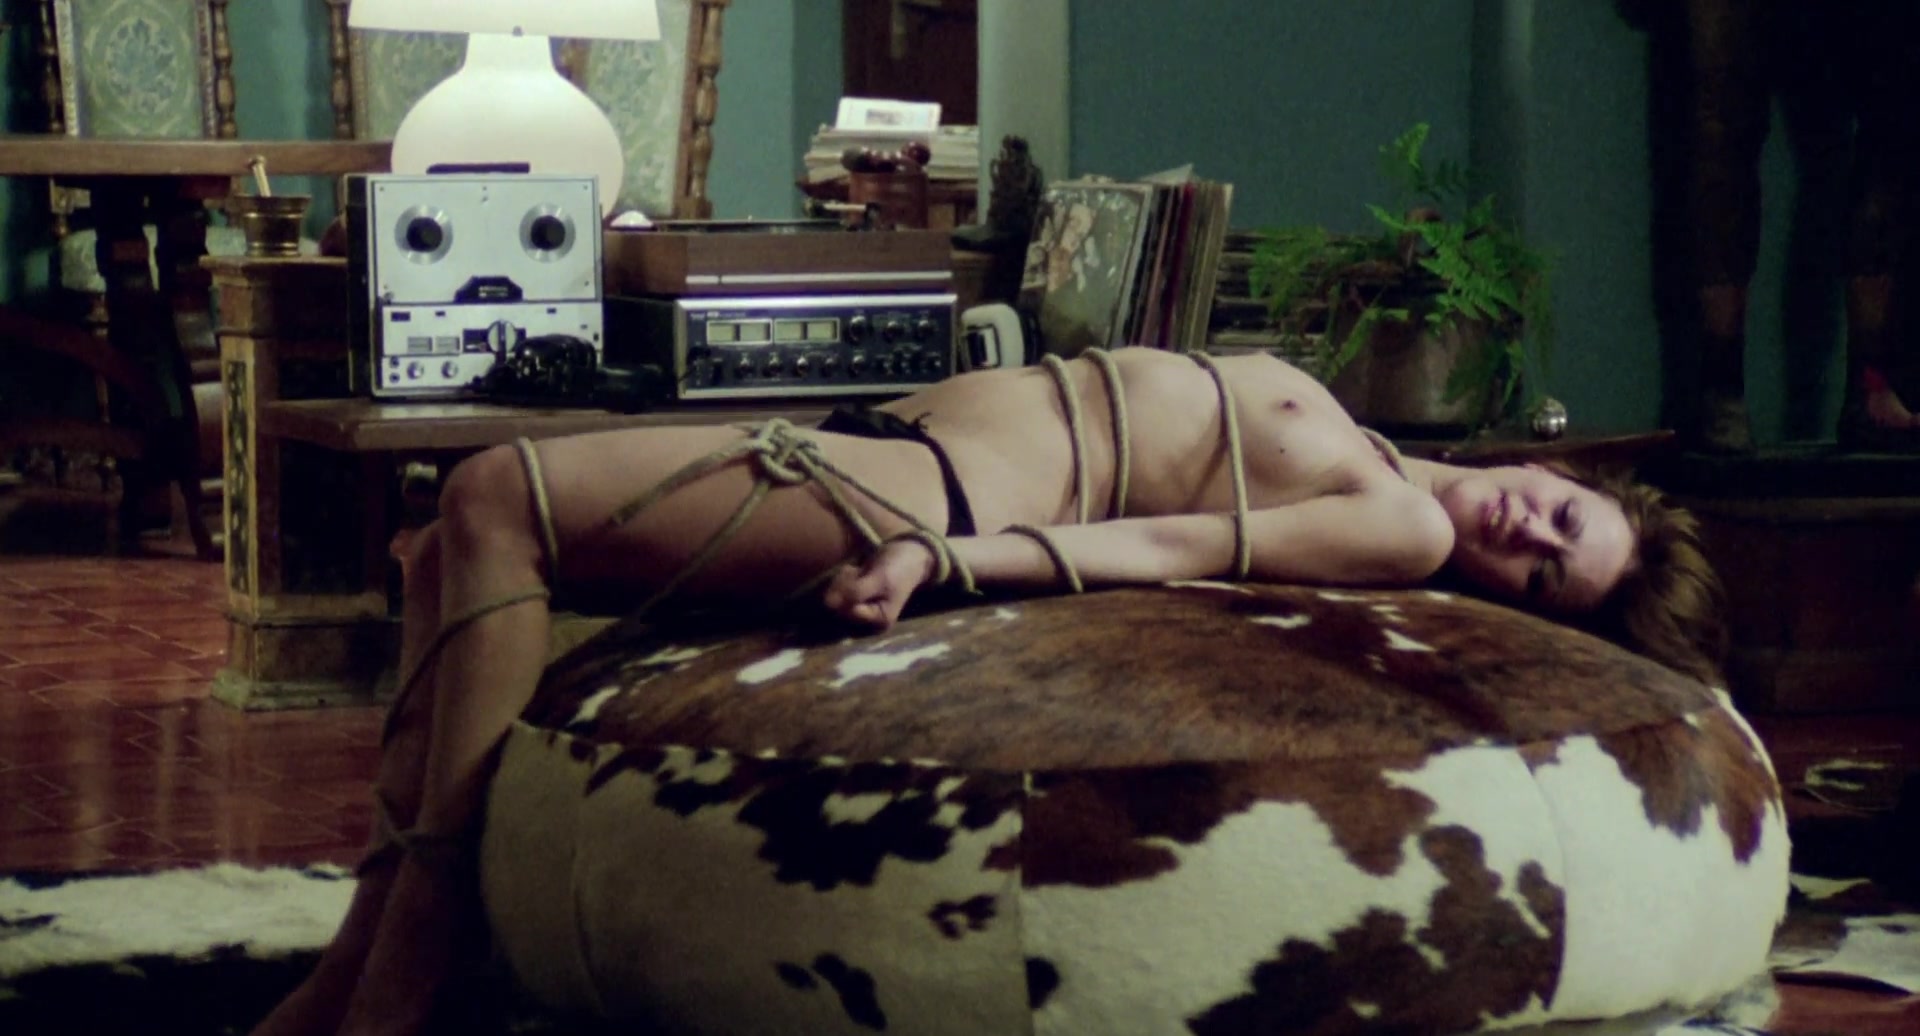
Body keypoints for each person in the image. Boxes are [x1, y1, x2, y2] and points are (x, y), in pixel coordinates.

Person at [252, 345, 1724, 1036]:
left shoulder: (1400, 528)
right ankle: (360, 950)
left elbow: (1173, 544)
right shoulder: (1390, 450)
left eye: (1544, 578)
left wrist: (949, 559)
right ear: (1563, 472)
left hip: (951, 492)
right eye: (1562, 519)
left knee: (495, 495)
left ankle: (410, 962)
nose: (1528, 537)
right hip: (894, 436)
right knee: (442, 543)